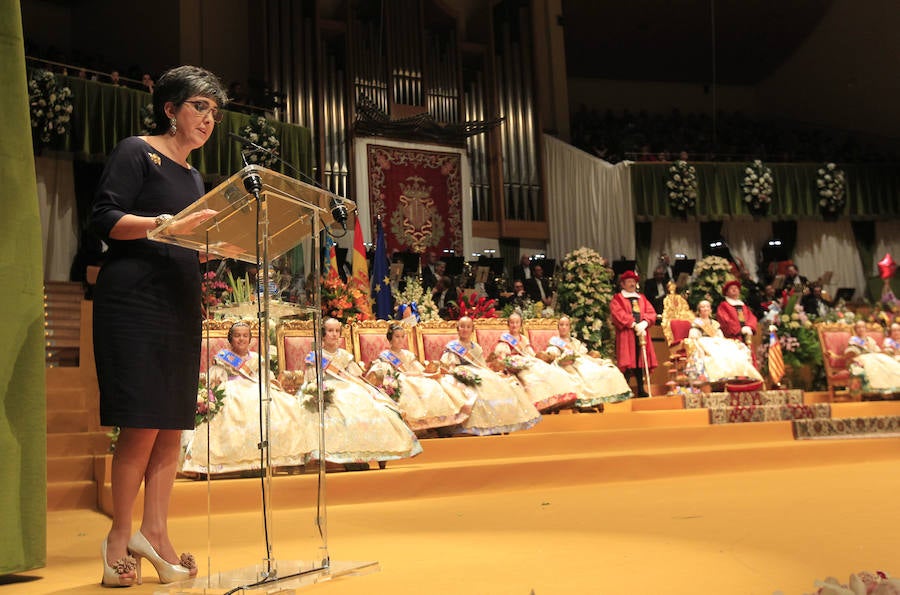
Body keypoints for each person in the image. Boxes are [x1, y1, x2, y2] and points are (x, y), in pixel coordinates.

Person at [90, 65, 226, 587]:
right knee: (142, 424)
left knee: (173, 425)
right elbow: (105, 218)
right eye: (199, 107)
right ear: (170, 108)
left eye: (214, 111)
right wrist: (164, 226)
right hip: (135, 301)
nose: (208, 119)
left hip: (179, 301)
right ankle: (118, 540)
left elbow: (187, 239)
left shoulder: (194, 177)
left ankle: (157, 531)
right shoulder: (136, 151)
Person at [180, 321, 309, 475]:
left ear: (249, 339)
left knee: (286, 405)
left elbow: (266, 378)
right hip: (232, 390)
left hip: (257, 389)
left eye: (245, 336)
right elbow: (214, 379)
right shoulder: (223, 358)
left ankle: (279, 458)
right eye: (237, 336)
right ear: (230, 339)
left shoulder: (256, 359)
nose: (241, 339)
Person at [304, 318, 422, 465]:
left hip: (349, 389)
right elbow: (311, 381)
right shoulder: (315, 357)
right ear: (323, 334)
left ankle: (371, 452)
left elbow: (355, 377)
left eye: (337, 331)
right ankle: (347, 457)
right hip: (327, 389)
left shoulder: (345, 356)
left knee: (373, 407)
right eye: (330, 331)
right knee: (341, 410)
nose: (334, 334)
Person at [438, 316, 541, 435]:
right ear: (457, 328)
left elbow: (482, 366)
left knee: (499, 385)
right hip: (458, 374)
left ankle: (496, 423)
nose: (465, 329)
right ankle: (471, 427)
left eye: (468, 327)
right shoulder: (452, 346)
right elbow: (448, 366)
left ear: (472, 330)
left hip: (479, 372)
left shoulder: (476, 347)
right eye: (462, 326)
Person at [366, 323, 474, 434]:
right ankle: (415, 426)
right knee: (406, 387)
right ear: (390, 338)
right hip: (400, 380)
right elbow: (385, 373)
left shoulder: (408, 355)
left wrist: (425, 371)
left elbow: (419, 369)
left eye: (402, 336)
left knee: (431, 385)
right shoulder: (386, 356)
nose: (400, 340)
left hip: (413, 378)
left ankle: (438, 423)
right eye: (396, 336)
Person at [492, 312, 580, 412]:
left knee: (547, 370)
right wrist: (508, 362)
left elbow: (531, 354)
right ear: (508, 324)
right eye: (512, 322)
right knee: (530, 378)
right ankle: (537, 404)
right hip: (514, 364)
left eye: (517, 322)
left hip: (527, 361)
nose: (514, 325)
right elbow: (501, 356)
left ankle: (553, 400)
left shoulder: (524, 339)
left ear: (521, 324)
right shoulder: (505, 338)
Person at [544, 316, 632, 411]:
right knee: (581, 374)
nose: (564, 327)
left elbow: (582, 353)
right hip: (566, 363)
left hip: (581, 361)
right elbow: (553, 352)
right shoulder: (555, 340)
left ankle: (592, 400)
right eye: (561, 325)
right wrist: (559, 355)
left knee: (603, 370)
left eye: (566, 325)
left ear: (570, 327)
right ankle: (584, 403)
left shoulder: (575, 341)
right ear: (558, 327)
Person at [687, 301, 762, 383]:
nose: (705, 309)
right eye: (703, 307)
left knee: (733, 349)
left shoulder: (715, 324)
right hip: (704, 342)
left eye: (707, 306)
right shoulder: (697, 323)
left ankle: (737, 376)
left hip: (718, 342)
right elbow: (694, 336)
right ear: (699, 310)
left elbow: (720, 336)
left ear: (711, 309)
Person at [610, 270, 658, 397]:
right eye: (629, 281)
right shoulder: (618, 298)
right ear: (623, 284)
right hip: (627, 334)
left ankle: (641, 389)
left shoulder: (641, 298)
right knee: (627, 362)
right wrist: (632, 323)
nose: (632, 284)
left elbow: (651, 312)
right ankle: (624, 389)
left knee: (640, 360)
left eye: (633, 281)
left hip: (641, 333)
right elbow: (617, 313)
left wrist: (645, 323)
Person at [842, 320, 900, 395]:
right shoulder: (853, 339)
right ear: (855, 329)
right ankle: (876, 389)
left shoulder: (870, 340)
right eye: (858, 327)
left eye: (863, 327)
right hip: (863, 358)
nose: (861, 329)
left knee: (887, 362)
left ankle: (892, 388)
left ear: (865, 329)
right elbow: (850, 352)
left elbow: (877, 350)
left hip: (875, 356)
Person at [717, 280, 758, 346]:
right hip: (732, 338)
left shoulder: (743, 305)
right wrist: (739, 329)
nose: (734, 290)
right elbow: (725, 321)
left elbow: (751, 317)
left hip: (747, 337)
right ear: (726, 293)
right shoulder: (723, 306)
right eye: (731, 289)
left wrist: (749, 327)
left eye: (736, 288)